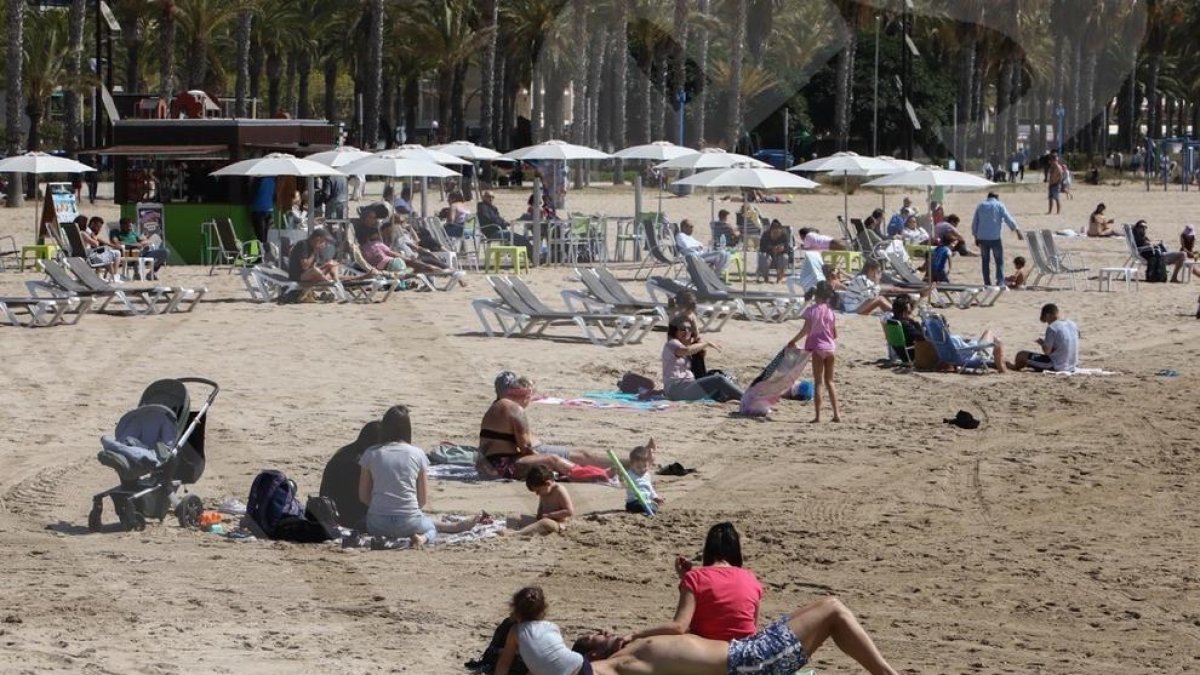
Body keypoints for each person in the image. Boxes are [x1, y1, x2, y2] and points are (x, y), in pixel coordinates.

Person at [573, 596, 899, 675]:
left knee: (822, 608)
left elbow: (679, 628)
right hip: (748, 664)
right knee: (833, 609)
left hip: (748, 652)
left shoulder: (633, 645)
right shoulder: (618, 664)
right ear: (593, 655)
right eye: (595, 637)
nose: (604, 631)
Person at [357, 405, 483, 548]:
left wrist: (382, 507)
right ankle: (423, 539)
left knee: (361, 523)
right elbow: (422, 500)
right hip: (409, 523)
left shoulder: (371, 453)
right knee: (431, 529)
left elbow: (363, 496)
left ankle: (450, 526)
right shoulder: (417, 453)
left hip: (377, 524)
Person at [624, 522, 762, 644]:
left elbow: (679, 627)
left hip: (707, 652)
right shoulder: (751, 578)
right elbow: (751, 628)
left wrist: (636, 634)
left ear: (708, 550)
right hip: (745, 653)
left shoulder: (695, 577)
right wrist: (686, 578)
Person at [478, 372, 612, 480]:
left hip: (488, 464)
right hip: (499, 467)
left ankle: (593, 472)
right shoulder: (514, 409)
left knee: (552, 459)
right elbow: (526, 448)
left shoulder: (497, 406)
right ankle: (594, 475)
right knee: (552, 459)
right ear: (525, 396)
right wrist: (539, 457)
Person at [496, 587, 591, 675]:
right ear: (543, 610)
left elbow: (504, 663)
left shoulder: (515, 631)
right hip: (578, 664)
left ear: (515, 610)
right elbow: (548, 658)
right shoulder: (552, 626)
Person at [788, 282, 840, 423]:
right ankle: (836, 414)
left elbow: (805, 330)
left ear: (816, 295)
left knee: (818, 383)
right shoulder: (830, 312)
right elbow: (835, 334)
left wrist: (793, 341)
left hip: (817, 349)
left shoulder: (811, 311)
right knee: (830, 382)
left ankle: (818, 416)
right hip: (830, 349)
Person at [661, 319, 743, 402]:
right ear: (675, 331)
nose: (686, 331)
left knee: (726, 378)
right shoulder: (672, 343)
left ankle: (744, 399)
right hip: (677, 389)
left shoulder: (686, 347)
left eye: (689, 329)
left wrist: (699, 349)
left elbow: (698, 371)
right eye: (682, 329)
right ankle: (748, 398)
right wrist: (706, 344)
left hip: (687, 386)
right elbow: (686, 350)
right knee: (719, 379)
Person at [970, 192, 1023, 286]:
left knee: (985, 261)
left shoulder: (981, 205)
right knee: (999, 261)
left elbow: (975, 222)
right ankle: (1000, 281)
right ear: (997, 197)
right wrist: (1017, 230)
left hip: (982, 237)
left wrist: (975, 236)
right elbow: (1008, 218)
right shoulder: (999, 205)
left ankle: (987, 282)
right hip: (995, 238)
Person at [1009, 303, 1079, 373]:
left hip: (1057, 365)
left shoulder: (1052, 327)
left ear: (1047, 315)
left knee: (1021, 355)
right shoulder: (1072, 323)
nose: (1047, 322)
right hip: (1072, 364)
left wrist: (1042, 343)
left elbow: (1047, 351)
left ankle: (1015, 367)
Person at [476, 190, 534, 259]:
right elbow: (490, 219)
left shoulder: (493, 208)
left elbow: (497, 219)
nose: (491, 199)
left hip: (500, 230)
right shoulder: (482, 207)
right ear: (483, 197)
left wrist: (505, 222)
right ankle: (533, 256)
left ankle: (531, 255)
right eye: (488, 197)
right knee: (520, 238)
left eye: (492, 197)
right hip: (493, 232)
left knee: (519, 238)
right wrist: (502, 223)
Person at [669, 291, 711, 379]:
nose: (689, 312)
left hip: (689, 346)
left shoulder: (691, 316)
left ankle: (700, 378)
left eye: (691, 310)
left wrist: (699, 344)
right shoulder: (674, 315)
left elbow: (696, 334)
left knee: (698, 355)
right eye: (688, 309)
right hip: (677, 348)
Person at [624, 441, 664, 516]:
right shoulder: (629, 474)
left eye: (645, 466)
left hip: (646, 500)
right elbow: (623, 481)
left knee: (654, 506)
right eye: (638, 467)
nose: (642, 469)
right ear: (632, 465)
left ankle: (649, 509)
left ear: (649, 464)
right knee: (640, 506)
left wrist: (655, 497)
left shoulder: (647, 475)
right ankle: (646, 509)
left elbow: (649, 488)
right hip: (634, 502)